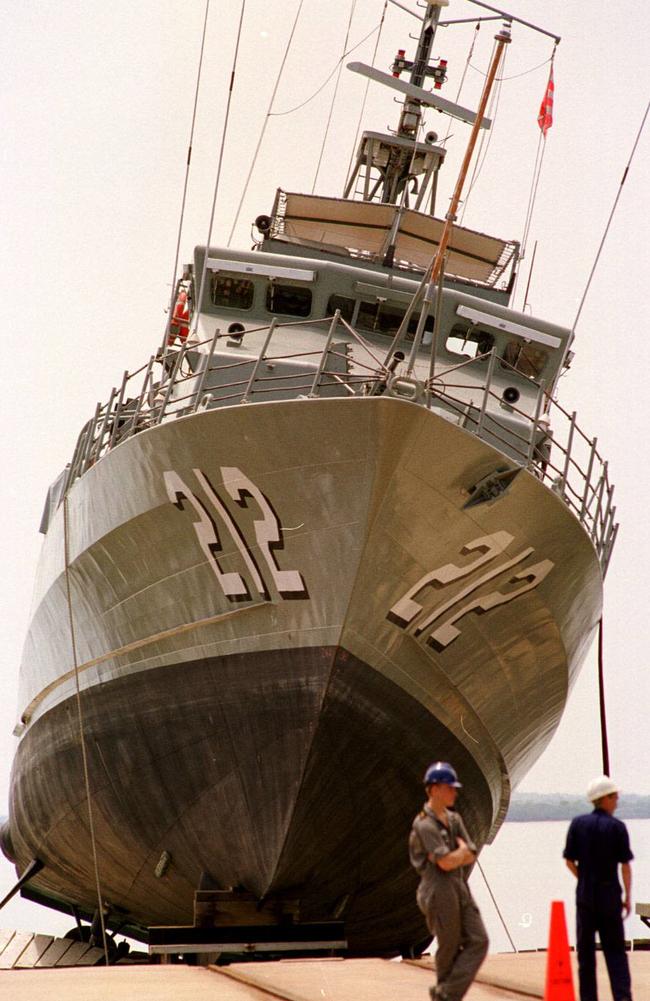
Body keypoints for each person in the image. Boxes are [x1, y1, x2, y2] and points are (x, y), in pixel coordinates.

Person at [409, 761, 489, 1001]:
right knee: (449, 945)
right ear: (434, 789)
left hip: (458, 886)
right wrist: (459, 854)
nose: (455, 792)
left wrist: (458, 856)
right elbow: (444, 862)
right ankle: (447, 995)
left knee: (479, 940)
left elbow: (471, 850)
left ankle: (445, 993)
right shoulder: (424, 824)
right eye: (449, 787)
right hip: (437, 888)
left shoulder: (454, 820)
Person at [563, 775, 634, 1001]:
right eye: (614, 797)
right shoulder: (617, 827)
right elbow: (625, 866)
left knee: (585, 955)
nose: (617, 801)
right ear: (605, 799)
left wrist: (583, 879)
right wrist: (627, 896)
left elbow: (569, 861)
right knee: (615, 953)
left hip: (585, 896)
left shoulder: (578, 824)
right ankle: (622, 998)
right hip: (609, 894)